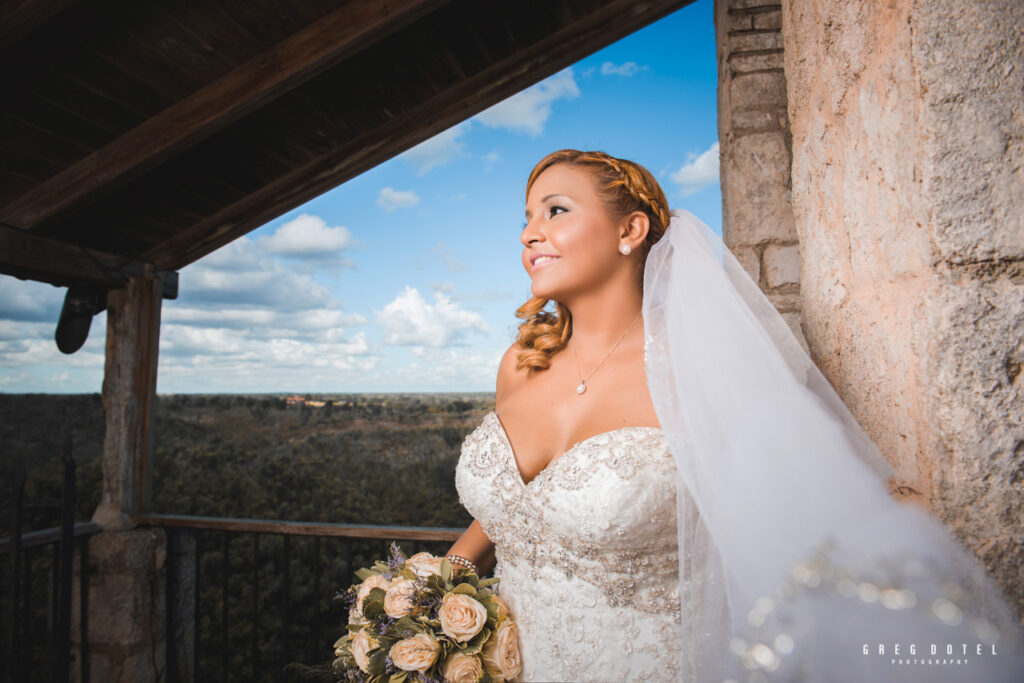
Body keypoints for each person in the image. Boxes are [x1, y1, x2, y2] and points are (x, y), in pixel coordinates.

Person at [447, 149, 1024, 682]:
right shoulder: (521, 364)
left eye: (555, 210)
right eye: (527, 218)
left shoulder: (700, 370)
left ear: (630, 230)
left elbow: (789, 538)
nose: (529, 234)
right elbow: (517, 515)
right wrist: (427, 597)